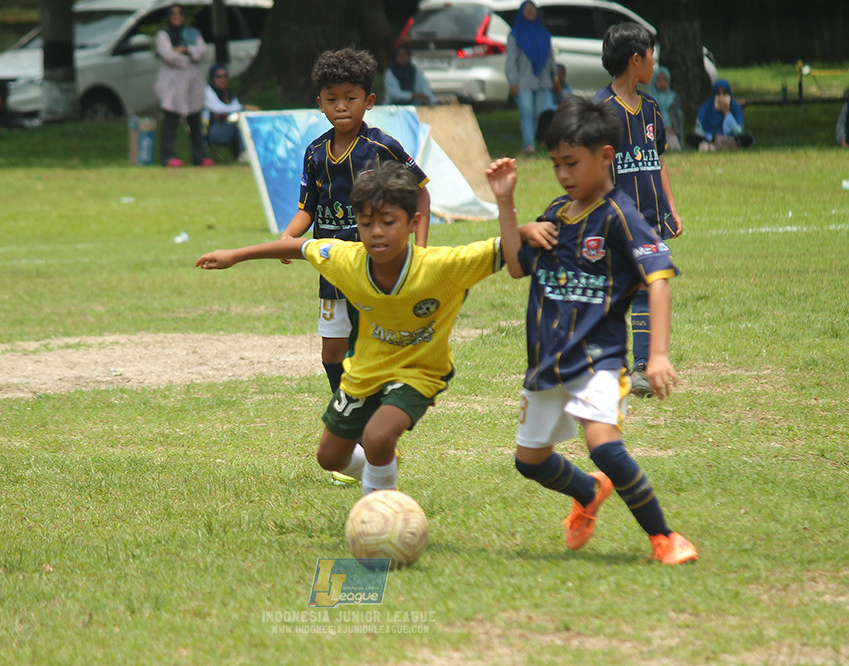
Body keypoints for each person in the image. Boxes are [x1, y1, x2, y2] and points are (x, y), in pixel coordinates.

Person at [197, 160, 503, 495]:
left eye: (388, 222)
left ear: (413, 223)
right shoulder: (346, 258)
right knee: (329, 457)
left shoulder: (440, 266)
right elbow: (298, 247)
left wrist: (513, 213)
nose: (377, 232)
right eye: (367, 222)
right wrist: (236, 255)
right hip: (366, 372)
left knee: (376, 437)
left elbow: (504, 252)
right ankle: (384, 466)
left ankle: (381, 510)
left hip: (420, 371)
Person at [494, 95, 697, 565]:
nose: (563, 174)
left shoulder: (621, 215)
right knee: (530, 462)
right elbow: (515, 268)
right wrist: (511, 212)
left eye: (572, 163)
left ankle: (665, 538)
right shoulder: (556, 213)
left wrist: (660, 355)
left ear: (606, 156)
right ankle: (588, 492)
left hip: (598, 360)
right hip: (548, 360)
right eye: (556, 164)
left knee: (604, 447)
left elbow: (659, 277)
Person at [278, 47, 432, 485]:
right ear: (319, 103)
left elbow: (420, 193)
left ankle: (376, 435)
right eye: (331, 98)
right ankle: (352, 437)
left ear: (369, 100)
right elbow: (307, 208)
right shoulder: (315, 152)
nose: (340, 106)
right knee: (331, 354)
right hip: (333, 269)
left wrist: (417, 250)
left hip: (374, 269)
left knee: (368, 353)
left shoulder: (382, 146)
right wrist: (289, 238)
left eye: (350, 97)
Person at [593, 22, 682, 398]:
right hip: (615, 220)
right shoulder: (601, 109)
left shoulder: (651, 108)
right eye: (650, 55)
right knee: (611, 292)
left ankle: (642, 367)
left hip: (650, 219)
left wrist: (671, 209)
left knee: (650, 284)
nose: (654, 61)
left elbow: (657, 160)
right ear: (635, 60)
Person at [155, 4, 212, 167]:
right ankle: (168, 156)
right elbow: (168, 55)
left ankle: (199, 156)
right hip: (173, 82)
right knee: (171, 120)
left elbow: (201, 51)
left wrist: (185, 49)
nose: (177, 16)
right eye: (173, 13)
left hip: (193, 82)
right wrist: (189, 56)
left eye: (180, 13)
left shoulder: (193, 33)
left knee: (195, 120)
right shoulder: (163, 34)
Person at [505, 0, 559, 155]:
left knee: (537, 113)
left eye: (532, 10)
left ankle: (531, 142)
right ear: (521, 12)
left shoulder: (543, 34)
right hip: (523, 80)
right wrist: (512, 80)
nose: (530, 12)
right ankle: (528, 145)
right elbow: (511, 60)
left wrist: (555, 76)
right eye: (527, 10)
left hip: (542, 80)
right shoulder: (515, 34)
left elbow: (550, 58)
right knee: (526, 111)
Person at [202, 63, 259, 161]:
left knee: (246, 123)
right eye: (219, 77)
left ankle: (251, 153)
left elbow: (235, 108)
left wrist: (242, 109)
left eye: (225, 76)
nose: (223, 79)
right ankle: (244, 153)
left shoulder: (228, 95)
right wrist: (243, 107)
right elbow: (218, 109)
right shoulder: (207, 92)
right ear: (212, 78)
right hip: (212, 130)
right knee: (240, 123)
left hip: (228, 128)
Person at [687, 79, 754, 150]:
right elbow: (698, 130)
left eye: (724, 93)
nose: (721, 97)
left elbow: (738, 131)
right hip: (710, 138)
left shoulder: (735, 107)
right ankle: (714, 144)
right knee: (691, 138)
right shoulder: (706, 107)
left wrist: (727, 113)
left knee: (747, 138)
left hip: (729, 138)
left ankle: (717, 145)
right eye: (718, 94)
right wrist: (710, 137)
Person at [650, 66, 683, 151]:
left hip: (671, 131)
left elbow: (679, 118)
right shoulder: (649, 99)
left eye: (665, 80)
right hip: (653, 133)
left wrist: (675, 129)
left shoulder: (673, 98)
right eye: (659, 80)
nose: (662, 83)